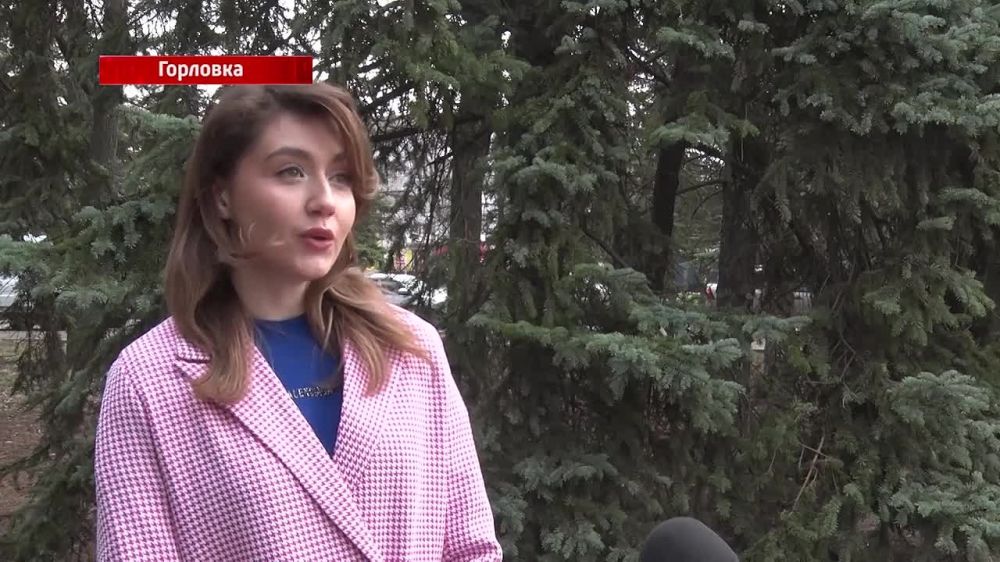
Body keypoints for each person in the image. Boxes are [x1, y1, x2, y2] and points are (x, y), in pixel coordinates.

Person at [93, 83, 502, 561]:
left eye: (342, 177)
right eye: (291, 171)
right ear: (222, 196)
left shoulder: (413, 348)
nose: (325, 200)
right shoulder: (149, 381)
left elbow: (471, 547)